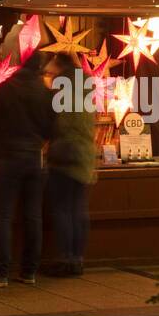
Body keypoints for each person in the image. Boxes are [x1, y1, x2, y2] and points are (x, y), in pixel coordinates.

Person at [0, 51, 57, 287]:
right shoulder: (45, 93)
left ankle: (0, 273)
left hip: (7, 158)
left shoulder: (4, 89)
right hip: (35, 159)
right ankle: (29, 272)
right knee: (33, 217)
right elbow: (52, 129)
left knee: (3, 217)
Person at [43, 56, 98, 276]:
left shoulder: (62, 88)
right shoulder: (86, 86)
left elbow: (60, 123)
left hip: (65, 154)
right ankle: (77, 258)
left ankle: (65, 258)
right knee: (78, 209)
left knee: (63, 209)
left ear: (60, 67)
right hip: (85, 155)